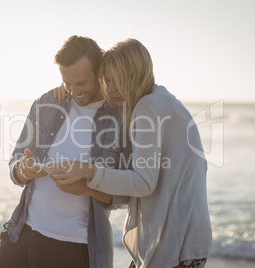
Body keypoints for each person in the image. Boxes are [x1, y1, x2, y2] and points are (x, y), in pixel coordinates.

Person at [49, 38, 212, 267]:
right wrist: (69, 90)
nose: (112, 88)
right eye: (107, 80)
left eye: (119, 79)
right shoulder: (163, 101)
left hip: (176, 246)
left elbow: (144, 182)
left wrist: (88, 170)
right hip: (187, 241)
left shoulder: (148, 107)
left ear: (135, 74)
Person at [0, 35, 131, 268]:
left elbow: (127, 195)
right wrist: (23, 171)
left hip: (75, 246)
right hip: (22, 233)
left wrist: (85, 188)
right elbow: (14, 163)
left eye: (81, 83)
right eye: (68, 83)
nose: (74, 92)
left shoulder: (120, 120)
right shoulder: (47, 103)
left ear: (100, 73)